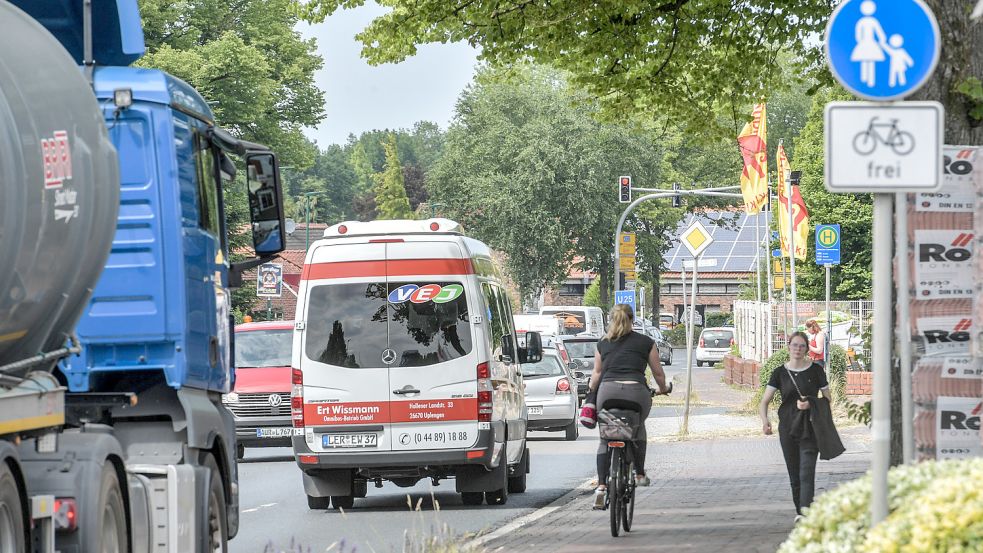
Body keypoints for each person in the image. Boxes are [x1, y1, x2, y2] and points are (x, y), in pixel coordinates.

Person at [588, 304, 669, 509]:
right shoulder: (646, 342)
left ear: (611, 320)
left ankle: (602, 487)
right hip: (636, 393)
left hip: (607, 393)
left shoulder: (603, 343)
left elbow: (596, 375)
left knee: (605, 438)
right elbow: (658, 373)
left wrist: (591, 392)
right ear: (633, 320)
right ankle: (640, 473)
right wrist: (663, 388)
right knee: (638, 426)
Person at [759, 332, 830, 521]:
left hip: (810, 428)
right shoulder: (779, 373)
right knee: (794, 474)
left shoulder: (816, 371)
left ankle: (806, 513)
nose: (798, 349)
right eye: (794, 345)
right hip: (788, 428)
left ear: (807, 349)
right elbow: (765, 401)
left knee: (807, 471)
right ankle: (801, 512)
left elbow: (828, 399)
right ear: (788, 347)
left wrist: (811, 403)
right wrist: (765, 420)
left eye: (802, 346)